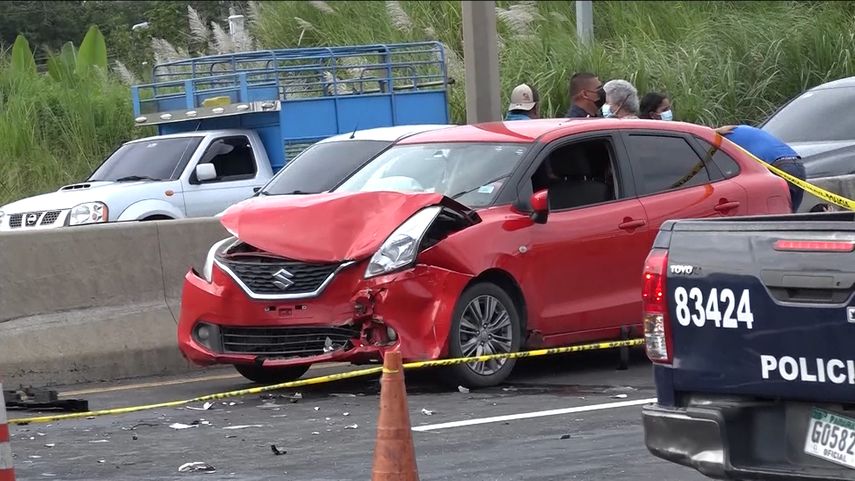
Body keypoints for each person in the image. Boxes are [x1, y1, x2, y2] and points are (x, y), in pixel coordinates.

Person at [716, 124, 806, 212]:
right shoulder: (742, 129)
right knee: (790, 215)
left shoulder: (723, 140)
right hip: (797, 164)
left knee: (778, 216)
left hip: (778, 167)